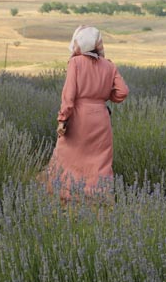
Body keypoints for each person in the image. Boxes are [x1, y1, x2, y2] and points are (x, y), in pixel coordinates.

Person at [43, 26, 129, 199]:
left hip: (79, 116)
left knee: (68, 154)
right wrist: (103, 96)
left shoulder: (75, 63)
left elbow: (69, 95)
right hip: (101, 117)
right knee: (100, 157)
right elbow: (122, 92)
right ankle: (98, 194)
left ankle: (66, 192)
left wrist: (62, 119)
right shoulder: (109, 65)